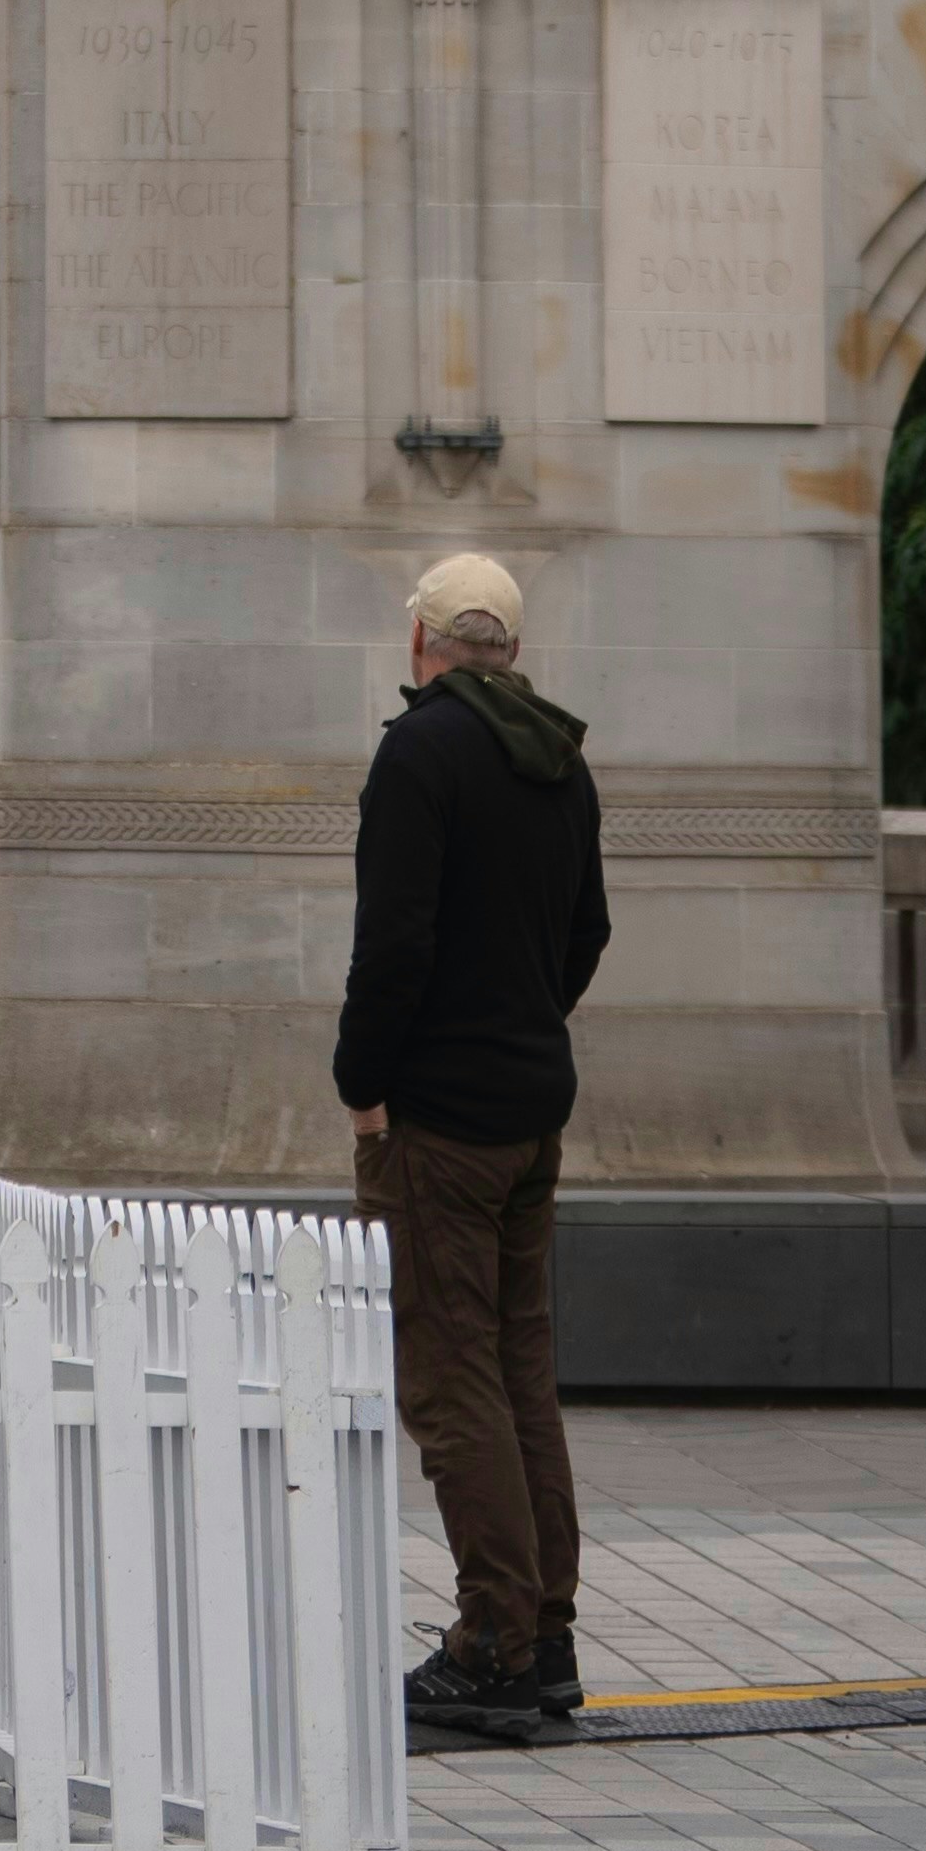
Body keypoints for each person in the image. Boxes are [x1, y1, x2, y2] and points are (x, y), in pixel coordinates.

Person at [334, 542, 609, 1745]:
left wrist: (365, 1088)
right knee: (518, 1375)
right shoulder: (560, 758)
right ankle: (544, 1636)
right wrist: (521, 1019)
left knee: (450, 1382)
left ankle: (491, 1646)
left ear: (422, 645)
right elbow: (586, 932)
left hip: (437, 1120)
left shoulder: (419, 752)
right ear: (511, 648)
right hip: (531, 1108)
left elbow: (390, 943)